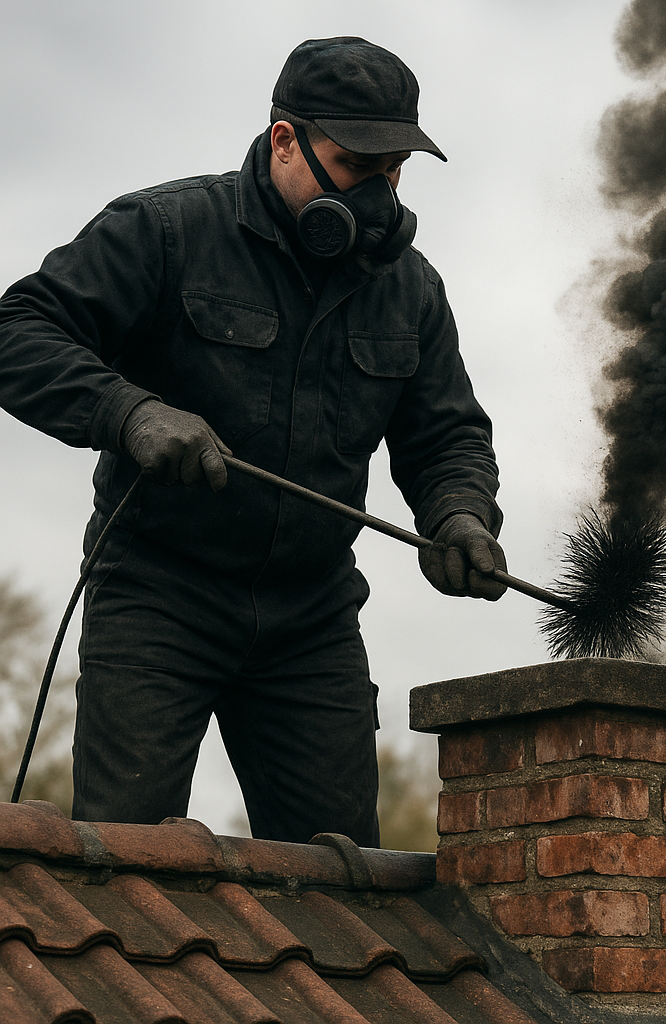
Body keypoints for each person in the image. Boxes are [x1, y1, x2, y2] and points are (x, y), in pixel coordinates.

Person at [0, 37, 505, 846]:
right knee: (128, 864)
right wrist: (128, 412)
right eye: (353, 165)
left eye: (392, 173)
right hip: (158, 598)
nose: (376, 196)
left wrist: (459, 514)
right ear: (283, 140)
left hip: (313, 619)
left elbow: (446, 435)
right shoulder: (164, 231)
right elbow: (17, 331)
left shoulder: (412, 290)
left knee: (345, 884)